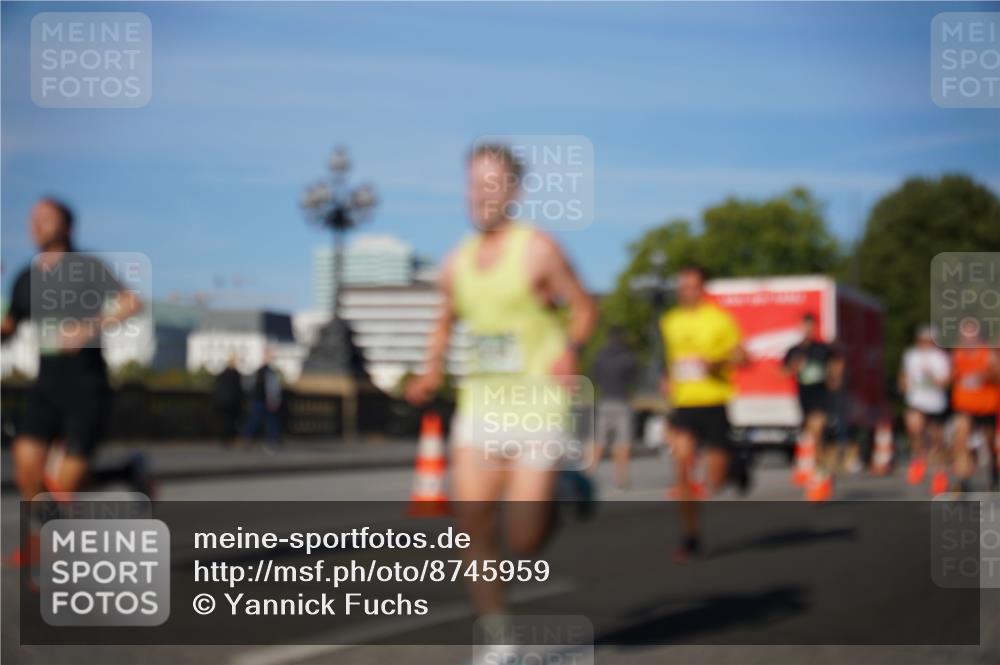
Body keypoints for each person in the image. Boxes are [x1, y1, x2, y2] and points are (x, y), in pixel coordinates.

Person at [405, 144, 597, 629]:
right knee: (471, 521)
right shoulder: (457, 261)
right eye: (473, 183)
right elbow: (444, 321)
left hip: (538, 405)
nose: (480, 194)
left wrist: (570, 351)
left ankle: (565, 489)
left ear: (513, 190)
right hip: (481, 405)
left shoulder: (538, 249)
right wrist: (431, 369)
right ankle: (499, 638)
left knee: (525, 537)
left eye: (491, 183)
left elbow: (584, 308)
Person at [1, 198, 148, 566]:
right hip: (45, 386)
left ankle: (125, 474)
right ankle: (45, 540)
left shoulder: (87, 268)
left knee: (66, 485)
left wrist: (89, 327)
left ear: (66, 226)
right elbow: (9, 327)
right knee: (26, 465)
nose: (37, 226)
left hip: (87, 386)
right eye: (33, 219)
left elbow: (131, 303)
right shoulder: (26, 277)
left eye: (46, 219)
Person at [660, 264, 746, 562]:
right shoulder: (670, 321)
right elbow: (669, 360)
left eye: (693, 286)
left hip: (714, 402)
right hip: (684, 405)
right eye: (682, 286)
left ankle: (736, 464)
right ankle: (691, 536)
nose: (686, 291)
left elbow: (743, 355)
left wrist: (718, 362)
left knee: (716, 480)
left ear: (703, 289)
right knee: (682, 468)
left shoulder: (720, 319)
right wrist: (666, 380)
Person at [782, 313, 841, 501]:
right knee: (810, 434)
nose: (808, 330)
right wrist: (793, 367)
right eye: (804, 326)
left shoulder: (822, 348)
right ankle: (818, 467)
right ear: (800, 327)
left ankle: (820, 473)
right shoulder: (794, 350)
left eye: (810, 326)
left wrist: (835, 378)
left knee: (817, 431)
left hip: (821, 394)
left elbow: (836, 362)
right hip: (804, 396)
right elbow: (782, 371)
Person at [899, 325, 951, 495]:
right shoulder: (911, 355)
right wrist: (904, 385)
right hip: (916, 400)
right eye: (922, 340)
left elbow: (946, 381)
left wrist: (933, 378)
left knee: (937, 441)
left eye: (928, 340)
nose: (924, 343)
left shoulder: (941, 358)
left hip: (936, 403)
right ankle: (918, 459)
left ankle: (939, 475)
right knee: (914, 427)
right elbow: (905, 373)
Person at [588, 325, 639, 489]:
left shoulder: (600, 356)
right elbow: (633, 379)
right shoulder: (628, 357)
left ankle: (589, 474)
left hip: (604, 401)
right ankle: (622, 478)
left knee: (599, 441)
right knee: (622, 442)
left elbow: (594, 375)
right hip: (622, 401)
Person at [950, 326, 999, 493]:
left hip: (988, 406)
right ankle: (964, 481)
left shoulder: (989, 354)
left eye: (971, 337)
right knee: (961, 440)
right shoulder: (957, 354)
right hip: (964, 406)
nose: (968, 341)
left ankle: (994, 476)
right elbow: (951, 376)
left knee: (990, 444)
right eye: (964, 337)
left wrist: (985, 375)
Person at [241, 348, 283, 451]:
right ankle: (255, 440)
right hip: (262, 400)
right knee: (261, 421)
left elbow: (249, 386)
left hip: (262, 400)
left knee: (262, 421)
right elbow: (273, 389)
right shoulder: (268, 372)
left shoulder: (263, 372)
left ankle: (252, 440)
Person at [213, 354, 244, 447]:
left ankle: (224, 439)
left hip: (221, 401)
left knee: (224, 421)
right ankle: (229, 439)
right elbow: (238, 389)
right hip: (231, 402)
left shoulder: (222, 374)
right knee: (231, 421)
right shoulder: (235, 374)